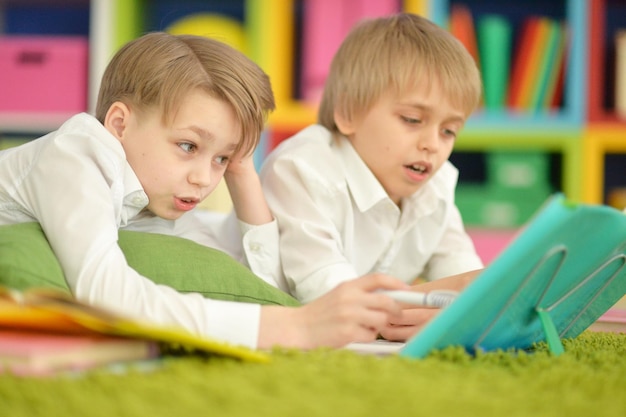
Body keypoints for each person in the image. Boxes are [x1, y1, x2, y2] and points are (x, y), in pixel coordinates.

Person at [0, 32, 411, 350]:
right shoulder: (76, 154)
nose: (203, 179)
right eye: (188, 146)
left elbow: (256, 290)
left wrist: (243, 171)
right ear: (120, 125)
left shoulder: (158, 202)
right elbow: (104, 293)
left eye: (221, 159)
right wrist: (296, 328)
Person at [259, 13, 485, 341]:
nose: (433, 144)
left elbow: (465, 276)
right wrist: (450, 299)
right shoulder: (301, 170)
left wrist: (462, 303)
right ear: (348, 113)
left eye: (449, 130)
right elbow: (330, 297)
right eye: (412, 119)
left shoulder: (435, 185)